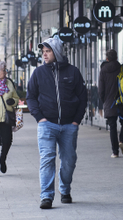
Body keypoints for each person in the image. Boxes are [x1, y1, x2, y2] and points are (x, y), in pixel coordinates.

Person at [26, 37, 87, 210]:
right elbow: (30, 97)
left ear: (57, 52)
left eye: (48, 51)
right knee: (47, 159)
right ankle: (46, 196)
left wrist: (76, 121)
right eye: (43, 52)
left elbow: (83, 97)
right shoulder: (38, 73)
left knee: (69, 160)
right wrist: (39, 117)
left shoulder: (73, 72)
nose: (44, 55)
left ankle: (65, 189)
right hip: (47, 124)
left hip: (69, 125)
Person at [98, 49, 123, 158]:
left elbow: (101, 89)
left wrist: (104, 100)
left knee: (112, 127)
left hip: (110, 102)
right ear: (116, 58)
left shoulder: (103, 70)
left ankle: (115, 152)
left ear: (107, 59)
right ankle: (122, 141)